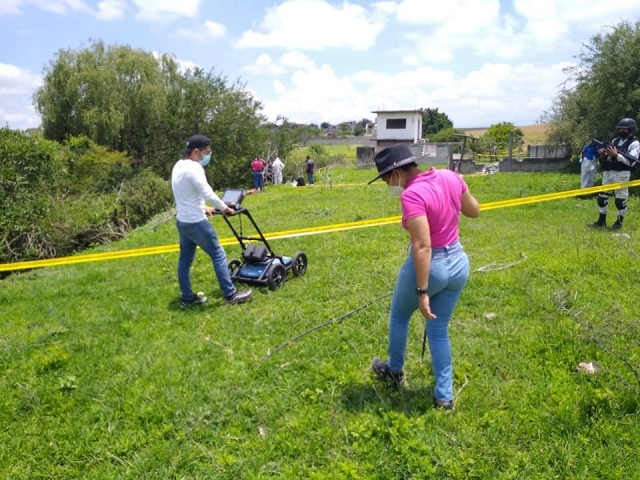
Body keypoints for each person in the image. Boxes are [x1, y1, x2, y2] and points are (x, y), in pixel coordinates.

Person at [368, 143, 480, 410]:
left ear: (396, 173)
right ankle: (444, 397)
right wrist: (462, 185)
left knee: (399, 315)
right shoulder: (450, 176)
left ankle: (394, 370)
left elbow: (422, 246)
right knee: (439, 331)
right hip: (459, 263)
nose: (388, 186)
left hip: (434, 266)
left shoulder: (412, 195)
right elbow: (474, 210)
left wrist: (422, 292)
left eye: (386, 180)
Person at [171, 135, 253, 307]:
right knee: (218, 254)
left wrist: (204, 208)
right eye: (207, 152)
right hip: (196, 223)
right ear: (196, 151)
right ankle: (231, 295)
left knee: (184, 261)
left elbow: (187, 194)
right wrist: (224, 208)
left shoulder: (178, 165)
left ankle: (187, 298)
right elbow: (207, 192)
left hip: (183, 222)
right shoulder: (194, 168)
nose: (208, 155)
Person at [590, 118, 640, 230]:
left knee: (620, 200)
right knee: (602, 198)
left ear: (630, 129)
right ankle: (601, 221)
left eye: (624, 129)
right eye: (620, 128)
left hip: (622, 173)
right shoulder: (615, 140)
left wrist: (616, 155)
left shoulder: (635, 143)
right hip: (609, 173)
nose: (621, 130)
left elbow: (632, 162)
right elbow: (608, 155)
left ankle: (619, 223)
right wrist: (603, 153)